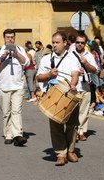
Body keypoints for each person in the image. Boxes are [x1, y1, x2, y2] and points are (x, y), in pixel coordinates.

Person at [36, 31, 80, 166]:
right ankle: (60, 153)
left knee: (72, 125)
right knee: (56, 126)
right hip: (53, 94)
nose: (54, 45)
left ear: (65, 43)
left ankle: (71, 150)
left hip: (69, 93)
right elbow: (38, 77)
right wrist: (49, 74)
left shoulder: (72, 57)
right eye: (53, 42)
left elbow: (75, 74)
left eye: (57, 42)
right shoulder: (46, 59)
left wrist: (73, 84)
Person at [0, 29, 29, 146]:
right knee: (6, 112)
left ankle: (17, 134)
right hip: (3, 86)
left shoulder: (20, 49)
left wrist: (16, 53)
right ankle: (8, 134)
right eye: (8, 37)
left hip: (17, 85)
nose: (10, 39)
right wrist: (5, 55)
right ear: (4, 38)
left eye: (12, 37)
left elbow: (26, 62)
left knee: (16, 111)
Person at [72, 34, 98, 141]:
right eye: (78, 42)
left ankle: (81, 131)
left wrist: (86, 63)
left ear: (85, 43)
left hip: (86, 85)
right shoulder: (70, 55)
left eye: (82, 43)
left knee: (84, 110)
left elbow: (94, 70)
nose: (79, 44)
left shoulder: (89, 55)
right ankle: (73, 131)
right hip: (73, 86)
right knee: (73, 111)